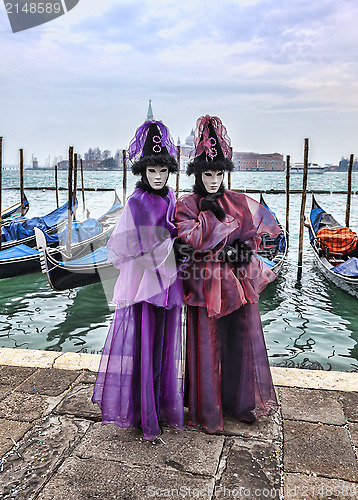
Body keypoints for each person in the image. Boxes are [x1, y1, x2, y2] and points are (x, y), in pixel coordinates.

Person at [175, 115, 282, 433]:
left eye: (218, 173)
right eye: (207, 174)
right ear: (198, 174)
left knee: (237, 343)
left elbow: (250, 240)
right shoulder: (186, 206)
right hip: (201, 288)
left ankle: (239, 403)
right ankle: (208, 408)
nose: (213, 180)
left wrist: (234, 248)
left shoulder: (236, 202)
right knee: (206, 346)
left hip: (235, 286)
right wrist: (211, 217)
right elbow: (190, 241)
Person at [92, 119, 184, 441]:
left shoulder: (171, 197)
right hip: (145, 285)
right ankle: (144, 414)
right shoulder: (135, 202)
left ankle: (158, 404)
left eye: (163, 172)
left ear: (169, 171)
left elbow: (172, 232)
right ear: (142, 171)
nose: (158, 178)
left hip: (168, 282)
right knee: (144, 346)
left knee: (162, 346)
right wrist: (172, 247)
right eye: (152, 172)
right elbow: (133, 247)